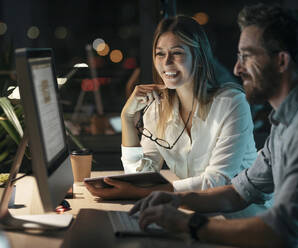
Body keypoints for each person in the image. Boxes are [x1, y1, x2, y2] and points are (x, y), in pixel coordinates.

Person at [129, 4, 298, 248]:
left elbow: (281, 232)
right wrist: (176, 199)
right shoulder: (287, 120)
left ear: (281, 61)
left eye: (247, 56)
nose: (236, 69)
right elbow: (240, 191)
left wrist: (187, 224)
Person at [85, 15, 262, 214]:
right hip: (194, 211)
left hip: (242, 218)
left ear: (199, 58)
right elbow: (140, 176)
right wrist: (127, 119)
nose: (166, 62)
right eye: (160, 54)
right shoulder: (157, 108)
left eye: (176, 53)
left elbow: (217, 182)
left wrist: (141, 193)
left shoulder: (232, 103)